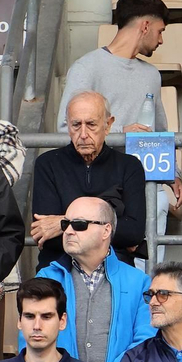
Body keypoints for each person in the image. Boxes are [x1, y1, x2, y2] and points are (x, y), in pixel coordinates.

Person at [31, 196, 154, 362]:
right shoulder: (45, 278)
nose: (69, 231)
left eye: (79, 224)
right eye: (65, 224)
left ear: (106, 230)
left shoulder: (139, 282)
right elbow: (31, 340)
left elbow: (145, 344)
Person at [31, 92, 147, 268]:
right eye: (76, 125)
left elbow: (133, 232)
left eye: (91, 124)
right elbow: (46, 236)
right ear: (68, 126)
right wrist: (110, 229)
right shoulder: (47, 164)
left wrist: (62, 223)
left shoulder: (129, 166)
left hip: (114, 268)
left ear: (108, 125)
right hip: (59, 268)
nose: (83, 134)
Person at [58, 0, 172, 133]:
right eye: (160, 31)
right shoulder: (87, 67)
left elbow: (160, 135)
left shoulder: (152, 74)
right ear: (145, 27)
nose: (161, 40)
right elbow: (65, 128)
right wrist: (122, 132)